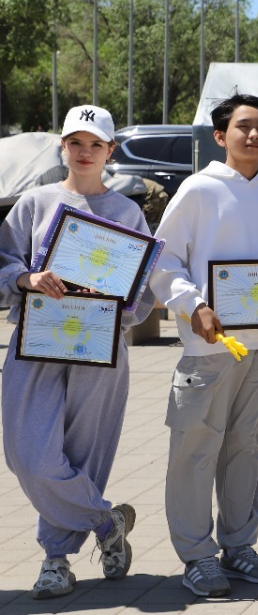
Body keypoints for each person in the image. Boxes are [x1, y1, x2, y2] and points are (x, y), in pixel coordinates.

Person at [0, 106, 153, 599]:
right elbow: (5, 263)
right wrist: (26, 278)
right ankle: (106, 521)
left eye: (96, 144)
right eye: (75, 143)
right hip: (36, 340)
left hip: (100, 345)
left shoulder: (128, 213)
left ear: (110, 151)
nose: (85, 152)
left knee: (84, 452)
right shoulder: (35, 202)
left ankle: (55, 559)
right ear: (62, 147)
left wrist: (114, 301)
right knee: (28, 454)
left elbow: (142, 290)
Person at [151, 93, 258, 597]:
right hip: (209, 346)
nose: (253, 136)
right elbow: (162, 262)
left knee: (246, 448)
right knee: (195, 450)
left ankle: (240, 548)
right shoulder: (197, 190)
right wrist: (195, 306)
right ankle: (196, 557)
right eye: (242, 126)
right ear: (220, 135)